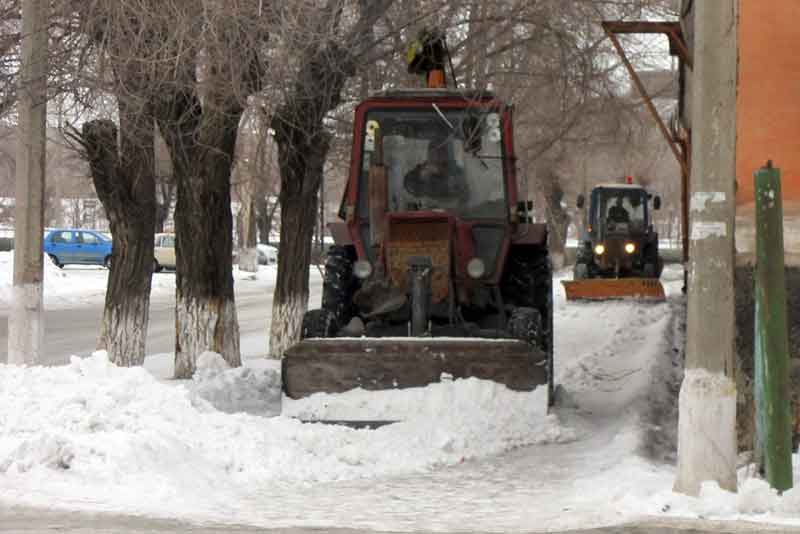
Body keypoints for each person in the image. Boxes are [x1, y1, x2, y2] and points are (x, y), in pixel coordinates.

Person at [403, 136, 468, 202]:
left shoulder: (457, 172)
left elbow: (463, 191)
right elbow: (410, 185)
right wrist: (421, 176)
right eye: (433, 150)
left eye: (442, 151)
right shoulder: (419, 172)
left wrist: (442, 172)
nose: (437, 155)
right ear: (428, 153)